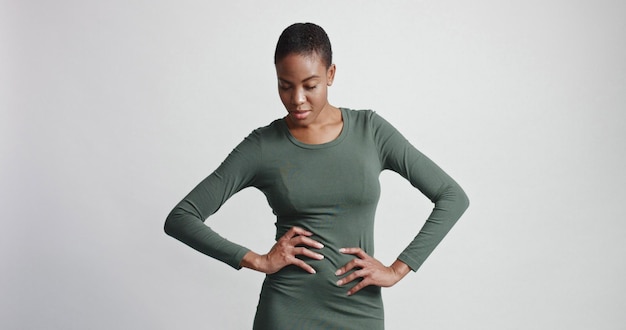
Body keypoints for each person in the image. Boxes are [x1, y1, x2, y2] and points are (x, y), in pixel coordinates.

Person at [165, 22, 469, 329]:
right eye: (285, 85)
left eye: (310, 86)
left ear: (331, 75)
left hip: (359, 312)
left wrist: (397, 270)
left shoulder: (371, 131)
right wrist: (256, 260)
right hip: (286, 310)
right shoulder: (262, 146)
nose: (297, 98)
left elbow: (452, 196)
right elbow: (181, 218)